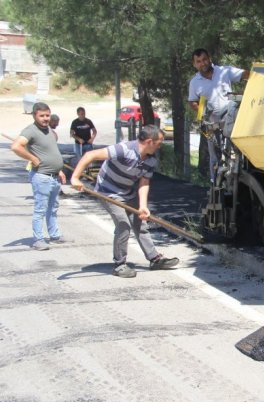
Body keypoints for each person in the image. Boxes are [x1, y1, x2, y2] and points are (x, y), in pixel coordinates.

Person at [70, 125, 179, 278]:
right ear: (149, 141)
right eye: (159, 143)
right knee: (123, 225)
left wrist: (143, 206)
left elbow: (144, 183)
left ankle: (155, 259)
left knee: (141, 223)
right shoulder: (123, 149)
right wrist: (75, 178)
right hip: (108, 192)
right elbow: (90, 155)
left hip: (127, 193)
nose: (160, 146)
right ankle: (119, 264)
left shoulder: (150, 160)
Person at [11, 102, 68, 251]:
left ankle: (54, 235)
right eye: (42, 115)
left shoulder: (48, 130)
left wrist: (59, 170)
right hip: (42, 176)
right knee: (40, 209)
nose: (45, 118)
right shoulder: (30, 130)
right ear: (34, 115)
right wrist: (32, 158)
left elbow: (51, 151)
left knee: (53, 208)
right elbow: (16, 146)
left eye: (47, 115)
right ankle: (38, 239)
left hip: (54, 176)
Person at [188, 48, 249, 182]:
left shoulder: (224, 71)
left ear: (209, 59)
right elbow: (192, 102)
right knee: (214, 155)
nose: (202, 63)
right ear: (194, 64)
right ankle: (216, 183)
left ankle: (239, 178)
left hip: (230, 117)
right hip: (211, 121)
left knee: (237, 150)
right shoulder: (194, 82)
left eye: (204, 59)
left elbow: (246, 75)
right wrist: (202, 113)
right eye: (198, 61)